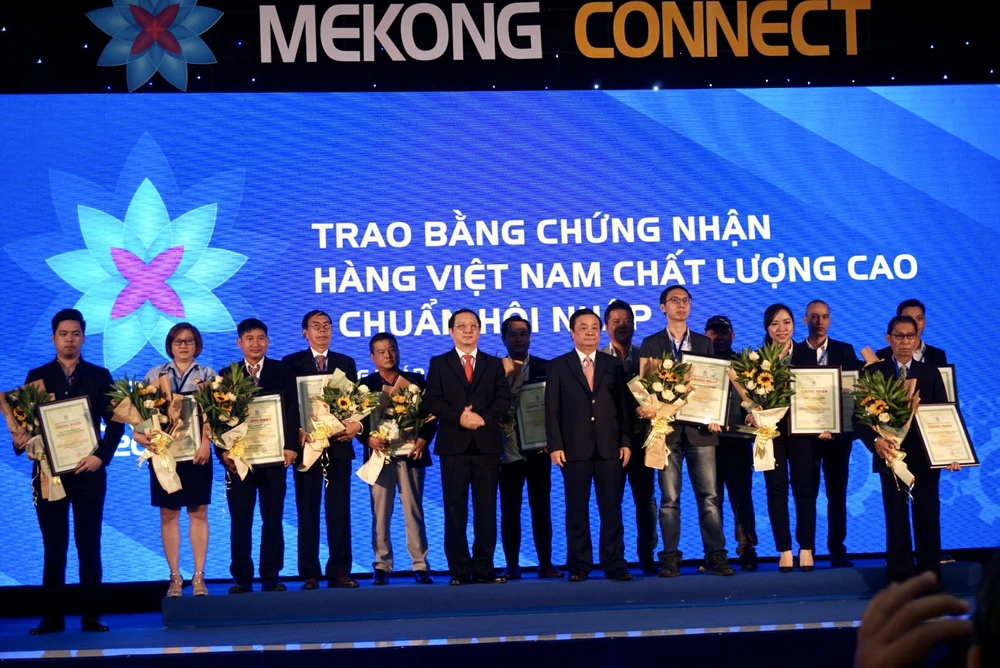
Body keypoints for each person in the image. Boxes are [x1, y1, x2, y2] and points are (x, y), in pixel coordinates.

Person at [14, 309, 124, 634]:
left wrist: (101, 457)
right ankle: (52, 617)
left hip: (89, 471)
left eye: (76, 334)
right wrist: (20, 440)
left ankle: (91, 615)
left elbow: (117, 423)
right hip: (49, 473)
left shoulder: (99, 375)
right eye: (63, 334)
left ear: (84, 338)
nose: (70, 339)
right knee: (54, 545)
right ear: (53, 338)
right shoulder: (37, 376)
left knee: (89, 543)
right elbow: (25, 425)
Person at [853, 315, 960, 583]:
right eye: (899, 336)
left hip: (925, 457)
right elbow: (858, 418)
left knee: (928, 518)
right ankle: (899, 582)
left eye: (910, 336)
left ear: (917, 338)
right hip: (890, 455)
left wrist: (951, 453)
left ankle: (930, 580)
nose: (905, 342)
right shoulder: (873, 373)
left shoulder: (930, 373)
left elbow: (943, 417)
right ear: (888, 339)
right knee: (896, 520)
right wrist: (876, 442)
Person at [638, 287, 733, 577]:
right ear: (662, 307)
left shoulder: (704, 343)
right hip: (666, 432)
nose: (681, 305)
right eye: (674, 301)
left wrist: (716, 415)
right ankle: (669, 557)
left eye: (685, 301)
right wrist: (649, 412)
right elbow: (645, 390)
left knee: (710, 497)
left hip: (701, 430)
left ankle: (716, 555)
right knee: (669, 500)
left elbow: (713, 386)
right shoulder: (651, 343)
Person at [546, 309, 633, 582]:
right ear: (572, 333)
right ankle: (579, 565)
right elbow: (552, 410)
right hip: (573, 449)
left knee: (612, 509)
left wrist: (625, 441)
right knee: (576, 510)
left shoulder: (613, 364)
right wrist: (555, 445)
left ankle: (614, 563)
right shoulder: (558, 365)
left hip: (609, 447)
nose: (590, 332)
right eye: (583, 327)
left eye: (595, 327)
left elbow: (624, 408)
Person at [426, 309, 512, 585]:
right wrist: (459, 417)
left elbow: (503, 400)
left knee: (486, 510)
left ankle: (485, 569)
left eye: (472, 326)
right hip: (454, 446)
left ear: (479, 330)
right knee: (455, 511)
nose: (467, 330)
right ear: (451, 331)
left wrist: (482, 419)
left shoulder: (493, 364)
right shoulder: (439, 363)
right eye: (461, 326)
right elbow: (432, 401)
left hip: (486, 445)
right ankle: (460, 571)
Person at [282, 309, 361, 589]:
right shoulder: (291, 363)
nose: (322, 330)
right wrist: (295, 432)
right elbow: (287, 406)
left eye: (327, 325)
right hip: (306, 446)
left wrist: (354, 425)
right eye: (316, 326)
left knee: (339, 511)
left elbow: (355, 402)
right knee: (307, 510)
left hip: (338, 445)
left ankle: (340, 570)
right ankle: (309, 572)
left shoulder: (345, 362)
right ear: (305, 332)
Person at [220, 318, 300, 594]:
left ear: (268, 341)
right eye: (249, 338)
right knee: (240, 519)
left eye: (261, 338)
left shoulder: (282, 370)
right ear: (239, 342)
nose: (256, 343)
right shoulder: (226, 375)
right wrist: (223, 452)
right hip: (239, 460)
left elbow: (292, 410)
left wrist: (291, 446)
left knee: (273, 517)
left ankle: (271, 575)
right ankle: (242, 577)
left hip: (274, 457)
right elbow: (216, 420)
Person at [137, 322, 215, 597]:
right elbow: (141, 413)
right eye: (178, 341)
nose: (183, 346)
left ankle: (199, 577)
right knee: (169, 513)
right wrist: (139, 435)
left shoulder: (207, 374)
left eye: (189, 341)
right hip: (164, 454)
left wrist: (206, 443)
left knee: (198, 512)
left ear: (197, 344)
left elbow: (215, 414)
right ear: (170, 345)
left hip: (197, 453)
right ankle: (174, 577)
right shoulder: (155, 374)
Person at [358, 332, 437, 585]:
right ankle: (382, 565)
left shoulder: (416, 381)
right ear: (372, 357)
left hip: (411, 454)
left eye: (392, 349)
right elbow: (355, 423)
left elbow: (431, 416)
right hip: (379, 456)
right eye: (381, 352)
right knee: (380, 512)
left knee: (413, 510)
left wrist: (423, 439)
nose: (388, 355)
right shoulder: (365, 386)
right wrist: (367, 439)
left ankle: (420, 565)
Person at [791, 300, 861, 567]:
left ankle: (837, 549)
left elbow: (853, 393)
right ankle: (806, 549)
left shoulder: (845, 350)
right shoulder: (795, 352)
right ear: (805, 320)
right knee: (805, 493)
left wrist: (837, 424)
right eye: (814, 317)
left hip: (838, 436)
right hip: (804, 436)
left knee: (837, 493)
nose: (819, 321)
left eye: (824, 316)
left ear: (830, 320)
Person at [752, 303, 818, 572]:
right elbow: (748, 398)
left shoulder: (808, 355)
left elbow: (820, 394)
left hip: (803, 432)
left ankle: (807, 547)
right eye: (775, 323)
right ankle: (784, 549)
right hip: (771, 433)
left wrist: (825, 421)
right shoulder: (756, 359)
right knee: (776, 490)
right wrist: (751, 415)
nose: (782, 328)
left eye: (787, 322)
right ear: (767, 327)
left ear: (794, 324)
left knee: (805, 489)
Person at [498, 316, 562, 580]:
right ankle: (512, 565)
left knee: (541, 508)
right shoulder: (494, 369)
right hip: (507, 450)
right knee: (509, 510)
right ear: (503, 339)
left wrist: (551, 440)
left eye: (523, 334)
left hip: (539, 449)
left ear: (530, 337)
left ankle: (545, 563)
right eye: (513, 334)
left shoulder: (545, 367)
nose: (519, 339)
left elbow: (555, 409)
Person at [600, 300, 658, 575]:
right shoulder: (598, 359)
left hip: (642, 439)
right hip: (610, 443)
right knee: (612, 502)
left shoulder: (646, 358)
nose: (622, 326)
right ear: (606, 326)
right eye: (616, 321)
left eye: (627, 321)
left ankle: (647, 554)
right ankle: (615, 558)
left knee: (646, 501)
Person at [704, 314, 759, 571]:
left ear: (733, 336)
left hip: (737, 440)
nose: (719, 337)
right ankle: (714, 552)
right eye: (714, 332)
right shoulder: (698, 364)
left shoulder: (746, 366)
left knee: (741, 498)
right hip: (706, 441)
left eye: (724, 332)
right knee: (710, 500)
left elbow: (756, 401)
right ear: (706, 335)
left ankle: (746, 548)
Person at [875, 299, 947, 365]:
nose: (915, 323)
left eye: (919, 318)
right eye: (909, 318)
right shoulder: (882, 355)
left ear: (924, 322)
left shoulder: (938, 355)